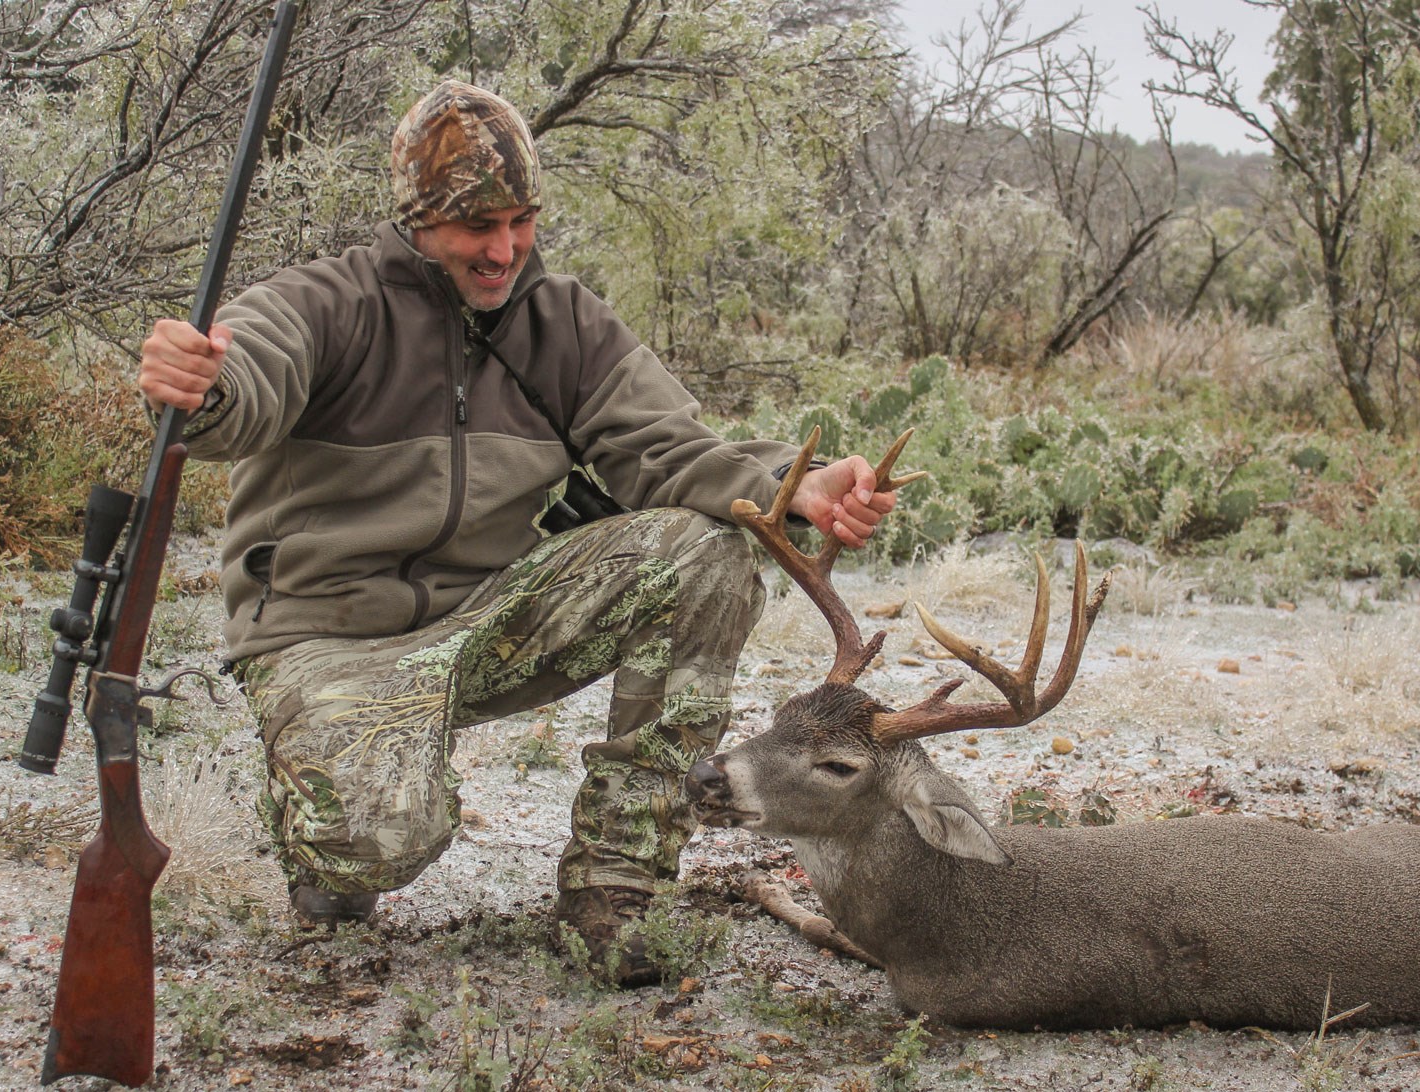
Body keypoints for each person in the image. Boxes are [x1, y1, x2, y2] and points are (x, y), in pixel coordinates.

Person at [136, 80, 896, 987]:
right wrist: (200, 384)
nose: (502, 250)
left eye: (520, 220)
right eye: (475, 226)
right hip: (323, 639)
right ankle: (337, 828)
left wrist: (796, 485)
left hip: (484, 626)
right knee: (372, 843)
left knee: (706, 551)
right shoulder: (322, 303)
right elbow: (244, 383)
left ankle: (617, 884)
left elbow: (666, 447)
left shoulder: (563, 322)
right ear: (416, 218)